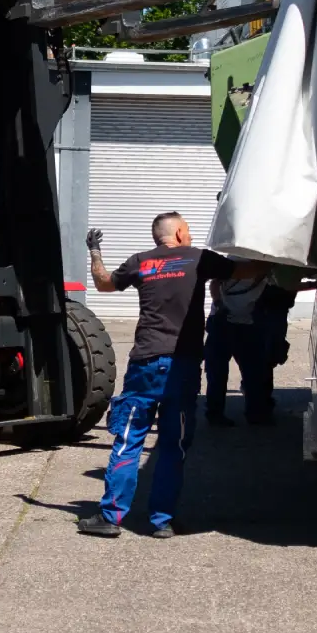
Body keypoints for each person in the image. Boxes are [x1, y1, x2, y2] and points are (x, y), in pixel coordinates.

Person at [77, 212, 233, 539]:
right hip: (183, 367)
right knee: (173, 445)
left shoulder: (141, 262)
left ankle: (111, 517)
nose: (189, 236)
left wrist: (94, 252)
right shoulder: (200, 259)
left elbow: (104, 284)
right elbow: (244, 271)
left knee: (128, 441)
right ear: (176, 234)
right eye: (187, 230)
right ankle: (161, 521)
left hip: (145, 367)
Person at [203, 266, 293, 426]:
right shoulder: (238, 261)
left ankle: (252, 413)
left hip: (241, 324)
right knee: (226, 372)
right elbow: (215, 283)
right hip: (226, 323)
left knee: (249, 372)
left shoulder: (266, 266)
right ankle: (226, 414)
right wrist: (219, 303)